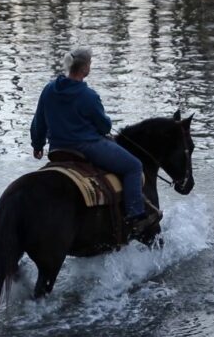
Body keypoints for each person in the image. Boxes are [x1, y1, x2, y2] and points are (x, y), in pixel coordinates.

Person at [30, 47, 161, 236]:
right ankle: (136, 216)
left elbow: (39, 121)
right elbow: (104, 127)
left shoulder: (49, 89)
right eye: (90, 63)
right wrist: (105, 124)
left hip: (57, 149)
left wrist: (37, 145)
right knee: (133, 166)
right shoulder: (88, 96)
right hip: (87, 147)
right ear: (84, 68)